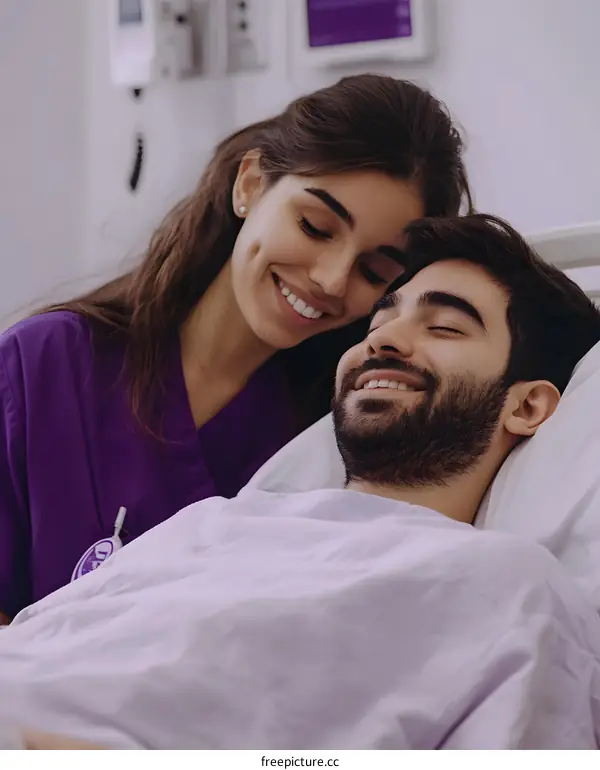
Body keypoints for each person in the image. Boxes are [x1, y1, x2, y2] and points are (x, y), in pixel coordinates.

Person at [3, 214, 599, 751]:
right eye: (381, 319)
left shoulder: (511, 591)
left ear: (526, 408)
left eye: (444, 327)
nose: (383, 340)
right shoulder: (212, 524)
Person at [0, 75, 473, 622]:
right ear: (249, 183)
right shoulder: (44, 369)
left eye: (373, 270)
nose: (332, 279)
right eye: (315, 227)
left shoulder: (330, 439)